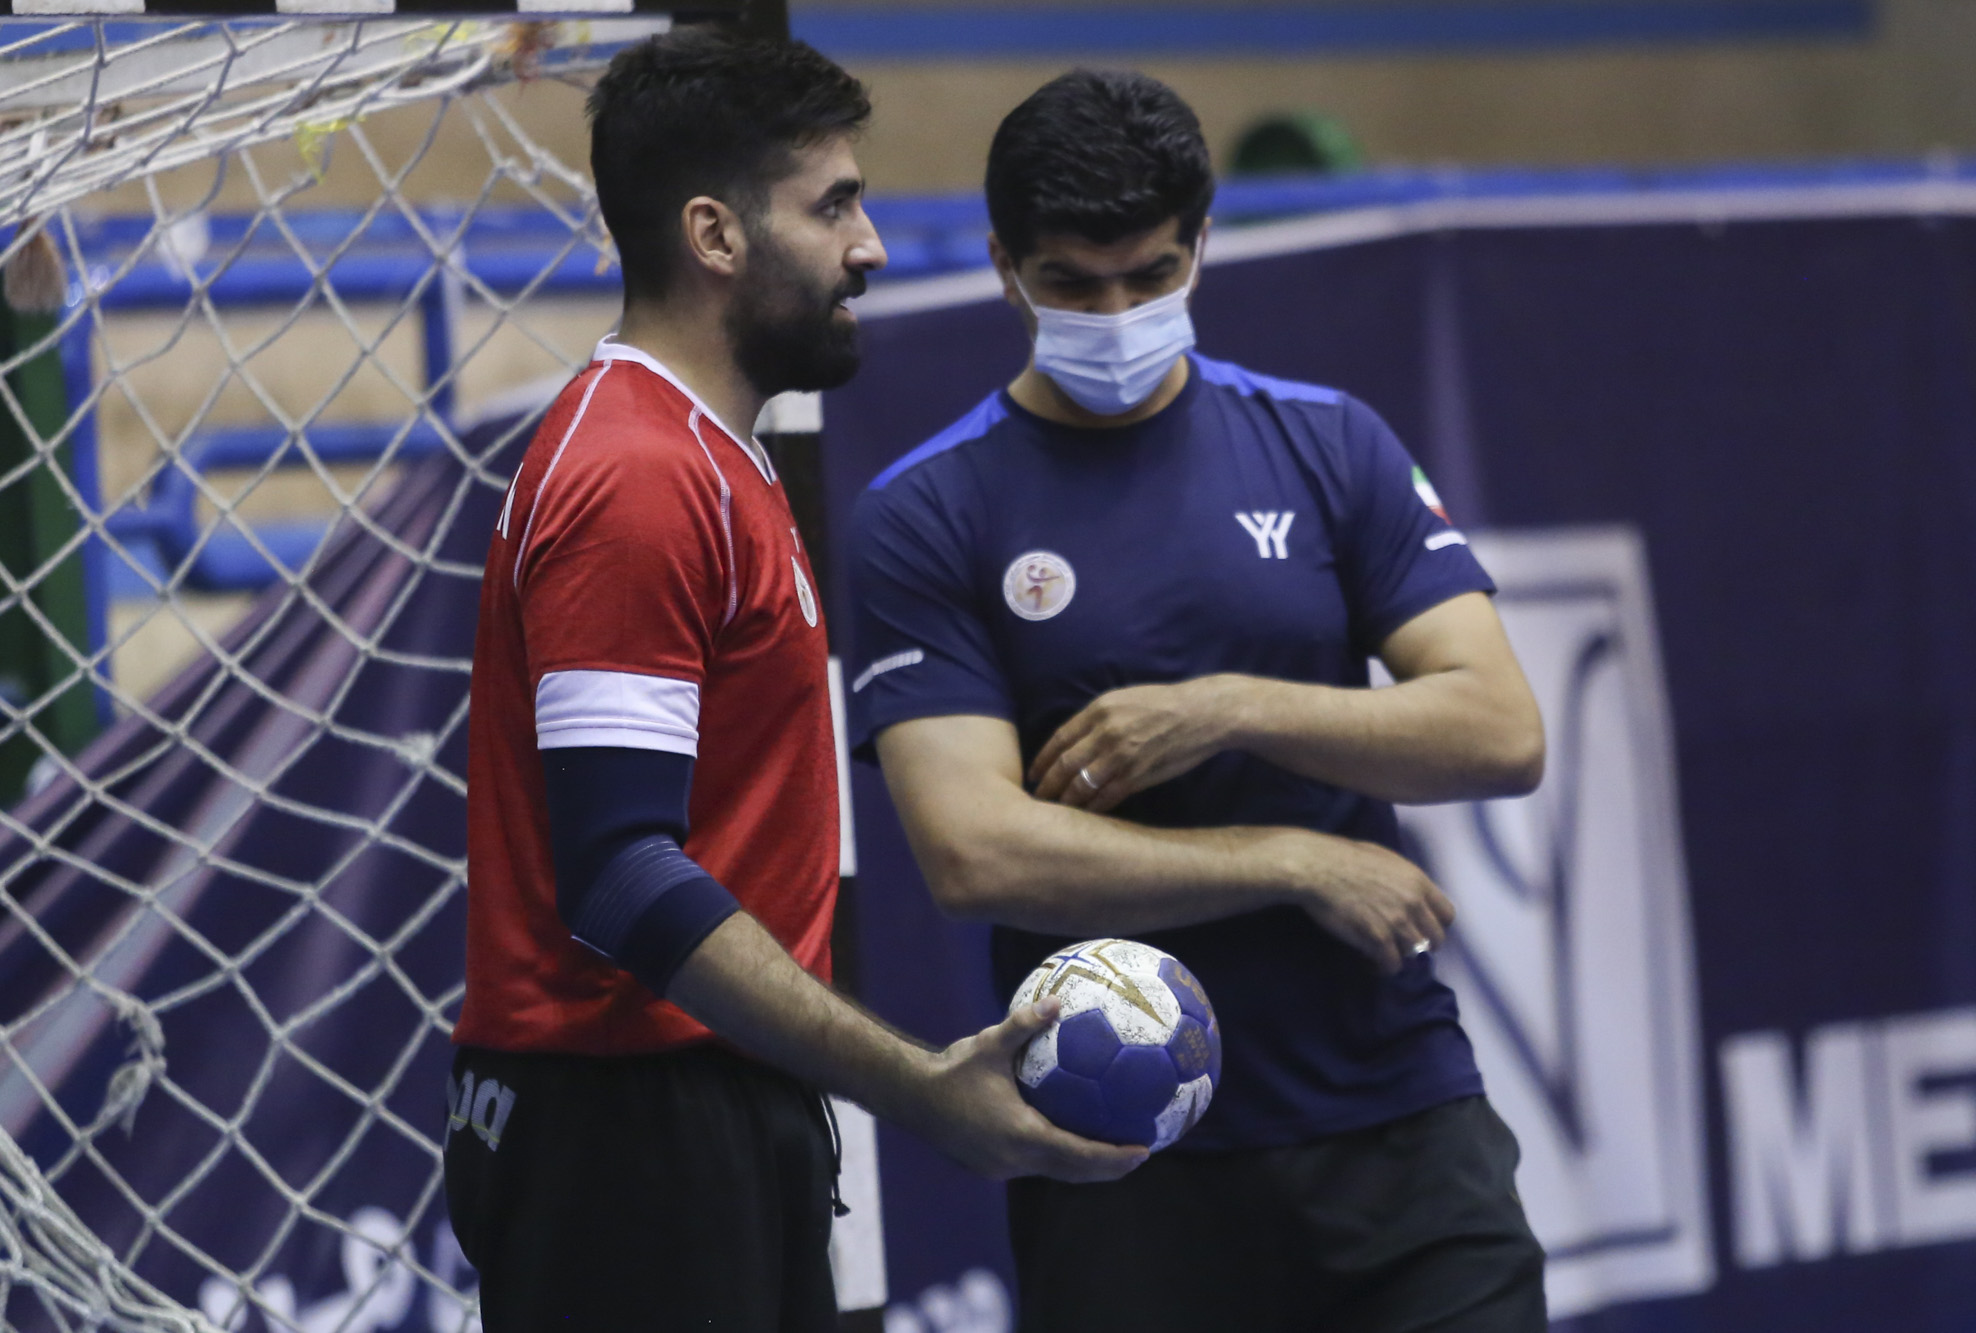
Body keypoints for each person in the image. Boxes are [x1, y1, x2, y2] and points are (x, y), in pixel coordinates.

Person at [442, 33, 1143, 1333]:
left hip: (688, 1107)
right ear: (714, 234)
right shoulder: (639, 477)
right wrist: (917, 1086)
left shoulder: (707, 456)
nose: (867, 247)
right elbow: (619, 877)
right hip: (628, 1135)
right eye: (833, 206)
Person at [846, 69, 1550, 1332]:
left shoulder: (1327, 443)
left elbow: (1498, 731)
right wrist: (1290, 859)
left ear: (1201, 246)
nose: (1116, 315)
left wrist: (1227, 706)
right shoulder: (927, 511)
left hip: (1395, 1117)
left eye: (1150, 276)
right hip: (1116, 1149)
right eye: (1072, 285)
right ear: (1004, 267)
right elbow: (973, 852)